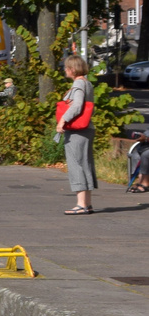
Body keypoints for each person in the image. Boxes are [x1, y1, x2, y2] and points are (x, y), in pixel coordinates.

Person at [58, 54, 97, 215]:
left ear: (72, 69)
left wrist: (62, 120)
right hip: (86, 129)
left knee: (76, 165)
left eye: (67, 67)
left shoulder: (78, 84)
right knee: (85, 163)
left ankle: (81, 204)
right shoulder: (86, 83)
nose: (65, 70)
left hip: (77, 131)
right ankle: (87, 203)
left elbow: (77, 105)